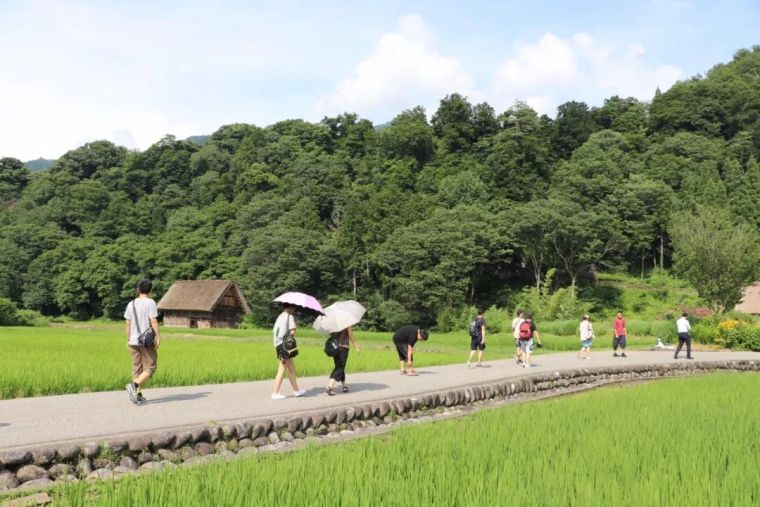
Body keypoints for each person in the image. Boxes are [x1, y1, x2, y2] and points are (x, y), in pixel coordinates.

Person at [124, 279, 161, 405]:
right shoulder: (150, 302)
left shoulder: (131, 304)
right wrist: (158, 336)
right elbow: (154, 321)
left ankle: (137, 395)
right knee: (150, 366)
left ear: (137, 290)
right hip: (145, 341)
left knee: (137, 368)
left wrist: (128, 340)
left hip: (133, 341)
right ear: (150, 290)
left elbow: (128, 323)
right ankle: (134, 386)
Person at [271, 304, 306, 400]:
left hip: (279, 345)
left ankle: (296, 390)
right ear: (291, 307)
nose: (294, 310)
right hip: (285, 347)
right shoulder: (289, 316)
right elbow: (292, 332)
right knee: (282, 369)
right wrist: (295, 326)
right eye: (294, 308)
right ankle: (275, 392)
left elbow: (275, 332)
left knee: (292, 369)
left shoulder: (280, 316)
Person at [325, 326, 360, 396]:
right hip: (343, 348)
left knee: (340, 366)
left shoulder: (333, 322)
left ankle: (344, 386)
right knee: (339, 368)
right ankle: (329, 387)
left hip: (335, 348)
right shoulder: (347, 321)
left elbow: (330, 334)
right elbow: (350, 333)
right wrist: (356, 346)